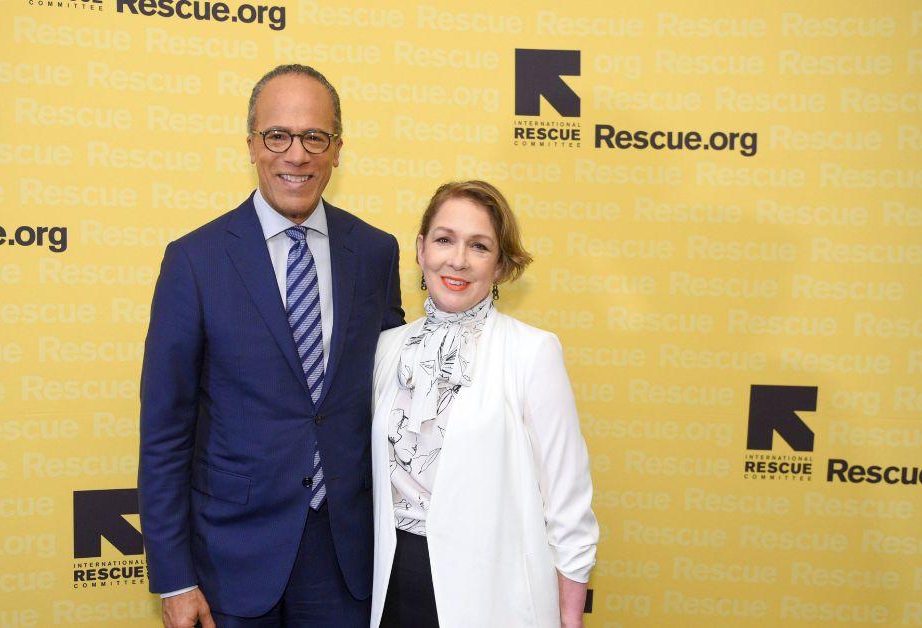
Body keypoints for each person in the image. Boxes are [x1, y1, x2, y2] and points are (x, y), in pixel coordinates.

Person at [139, 64, 404, 628]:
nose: (296, 154)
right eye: (277, 136)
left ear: (337, 149)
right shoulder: (193, 260)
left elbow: (393, 399)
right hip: (228, 559)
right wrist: (174, 576)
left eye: (315, 137)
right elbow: (165, 431)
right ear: (252, 146)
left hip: (346, 556)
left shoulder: (377, 253)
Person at [369, 181, 598, 628]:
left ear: (499, 267)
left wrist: (570, 619)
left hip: (494, 597)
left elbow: (567, 504)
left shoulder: (532, 353)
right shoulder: (385, 349)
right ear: (420, 250)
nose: (457, 260)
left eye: (478, 246)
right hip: (391, 588)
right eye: (443, 240)